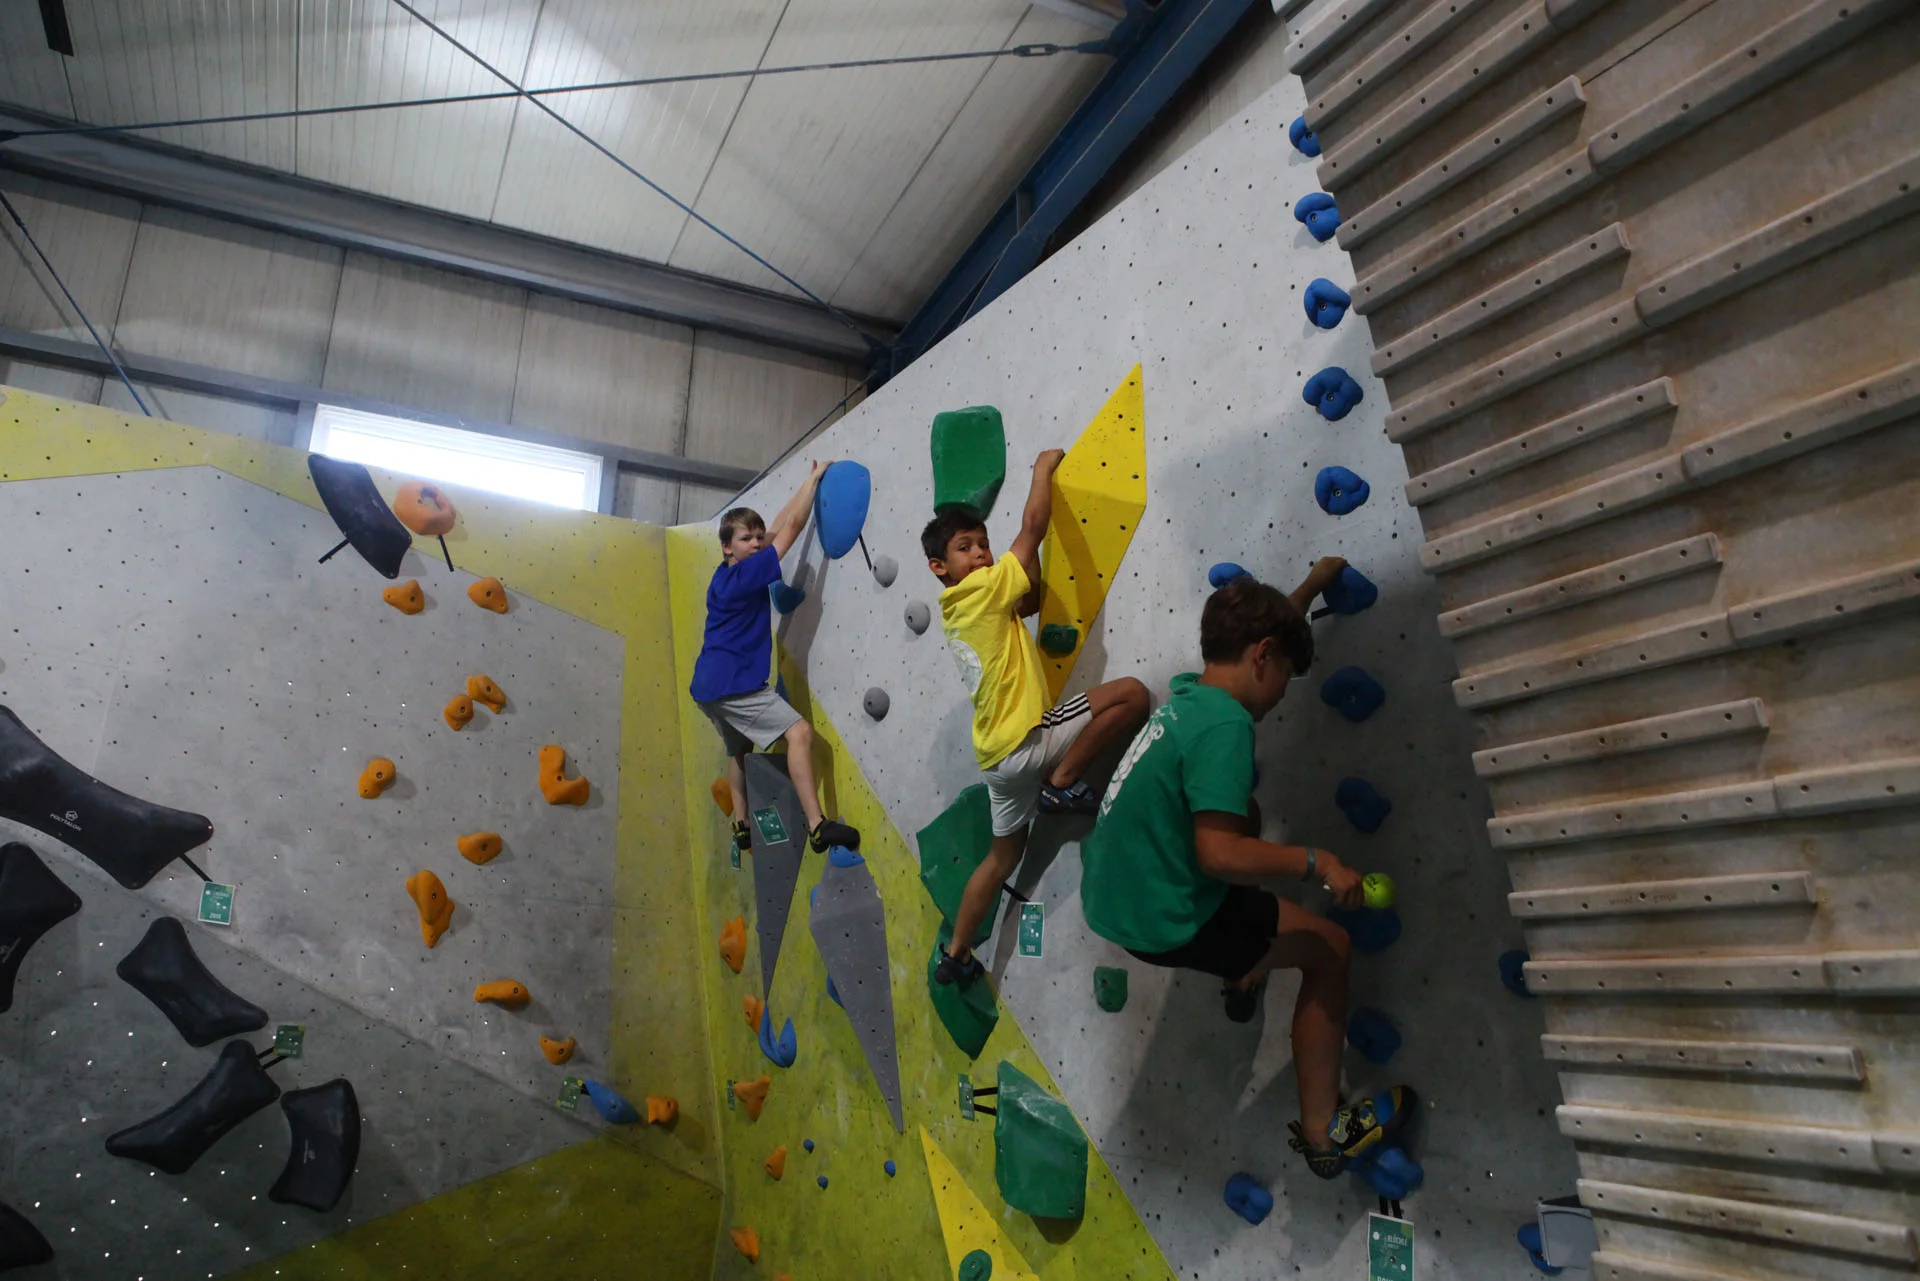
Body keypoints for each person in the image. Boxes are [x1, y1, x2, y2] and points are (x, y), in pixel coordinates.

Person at [1078, 565, 1412, 1178]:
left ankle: (1242, 969)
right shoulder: (1227, 725)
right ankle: (1321, 1134)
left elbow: (1265, 625)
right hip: (1162, 917)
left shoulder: (1190, 695)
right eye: (1285, 672)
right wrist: (1320, 862)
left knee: (1246, 816)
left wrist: (1311, 585)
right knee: (1330, 947)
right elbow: (1220, 857)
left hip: (1112, 895)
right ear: (1263, 656)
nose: (1284, 691)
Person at [924, 446, 1151, 985]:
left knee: (1002, 858)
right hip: (1029, 741)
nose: (980, 554)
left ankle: (955, 955)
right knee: (1134, 695)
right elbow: (1032, 527)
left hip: (996, 760)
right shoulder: (982, 587)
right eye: (965, 548)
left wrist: (1023, 572)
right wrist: (1042, 470)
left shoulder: (959, 610)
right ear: (941, 568)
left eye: (981, 544)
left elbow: (1026, 599)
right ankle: (1064, 781)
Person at [691, 461, 859, 856]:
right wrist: (815, 482)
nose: (755, 543)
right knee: (800, 734)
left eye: (756, 538)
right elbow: (792, 529)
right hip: (735, 686)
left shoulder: (724, 574)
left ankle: (741, 821)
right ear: (727, 547)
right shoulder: (747, 575)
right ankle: (818, 825)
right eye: (746, 539)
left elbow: (779, 524)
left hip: (708, 688)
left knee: (739, 750)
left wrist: (802, 485)